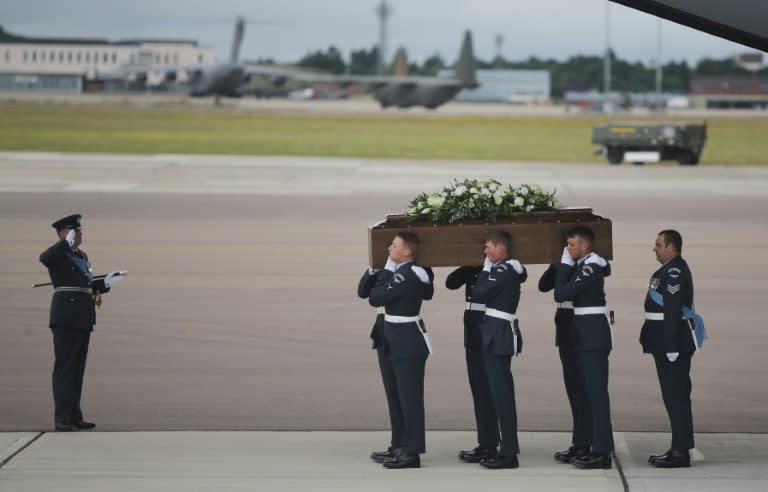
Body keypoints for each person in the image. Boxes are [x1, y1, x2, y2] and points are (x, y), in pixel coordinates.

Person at [39, 214, 125, 432]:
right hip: (66, 316)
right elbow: (45, 258)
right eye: (75, 231)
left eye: (78, 231)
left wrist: (105, 283)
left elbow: (83, 285)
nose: (80, 234)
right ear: (64, 233)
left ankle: (74, 416)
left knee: (77, 369)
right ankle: (62, 419)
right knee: (65, 368)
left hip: (82, 317)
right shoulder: (59, 254)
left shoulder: (81, 255)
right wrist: (63, 243)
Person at [368, 231, 433, 469]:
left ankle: (412, 452)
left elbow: (376, 297)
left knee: (410, 399)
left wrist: (386, 270)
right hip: (392, 339)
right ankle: (399, 445)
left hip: (407, 341)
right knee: (395, 396)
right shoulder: (403, 272)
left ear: (406, 252)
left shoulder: (407, 275)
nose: (389, 249)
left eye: (393, 246)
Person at [554, 226, 614, 469]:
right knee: (584, 392)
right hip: (584, 332)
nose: (568, 249)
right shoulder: (586, 264)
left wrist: (565, 265)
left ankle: (602, 451)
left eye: (571, 245)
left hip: (592, 334)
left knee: (597, 395)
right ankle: (586, 443)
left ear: (585, 245)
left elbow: (561, 293)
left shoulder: (590, 266)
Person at [471, 230, 527, 469]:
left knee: (502, 395)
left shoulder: (503, 270)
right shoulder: (504, 269)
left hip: (498, 332)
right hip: (494, 330)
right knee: (498, 393)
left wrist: (485, 269)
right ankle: (505, 448)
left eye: (488, 247)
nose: (485, 251)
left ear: (501, 249)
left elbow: (479, 292)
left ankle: (509, 453)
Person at [640, 230, 696, 468]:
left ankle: (680, 452)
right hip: (663, 340)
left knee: (676, 397)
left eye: (658, 244)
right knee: (674, 396)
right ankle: (678, 447)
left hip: (670, 343)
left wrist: (672, 345)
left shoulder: (673, 271)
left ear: (671, 248)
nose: (654, 248)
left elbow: (672, 310)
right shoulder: (667, 270)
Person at [446, 265, 499, 464]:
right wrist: (468, 265)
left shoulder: (500, 269)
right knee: (479, 390)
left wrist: (485, 268)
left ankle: (490, 444)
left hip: (487, 331)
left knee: (487, 390)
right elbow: (451, 282)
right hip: (473, 332)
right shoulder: (473, 269)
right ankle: (487, 441)